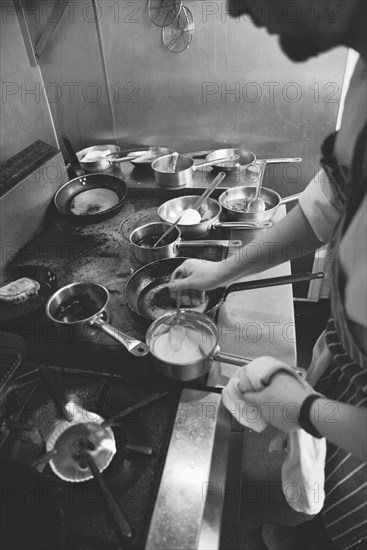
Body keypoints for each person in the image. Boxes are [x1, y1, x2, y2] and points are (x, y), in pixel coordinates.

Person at [168, 1, 367, 549]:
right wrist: (222, 272)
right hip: (354, 368)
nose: (235, 8)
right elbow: (326, 203)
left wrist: (307, 408)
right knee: (332, 501)